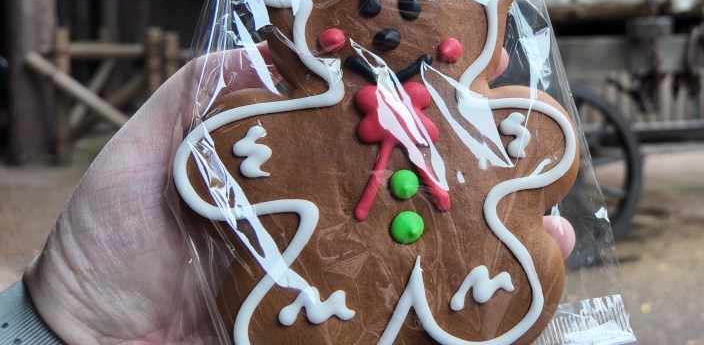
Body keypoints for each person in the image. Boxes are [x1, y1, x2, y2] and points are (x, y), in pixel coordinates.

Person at [1, 49, 576, 343]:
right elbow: (224, 156)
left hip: (466, 266)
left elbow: (541, 140)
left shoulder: (477, 115)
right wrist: (66, 313)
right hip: (316, 282)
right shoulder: (300, 116)